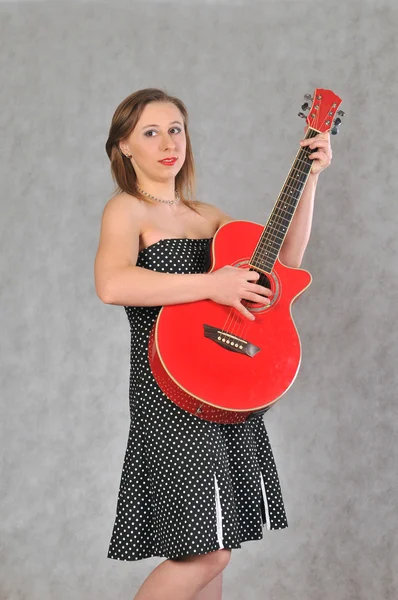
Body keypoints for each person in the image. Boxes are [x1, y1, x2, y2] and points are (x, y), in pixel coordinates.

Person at [94, 87, 332, 600]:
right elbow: (112, 284)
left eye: (175, 129)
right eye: (150, 132)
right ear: (124, 148)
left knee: (216, 546)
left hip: (226, 389)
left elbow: (282, 263)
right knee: (206, 552)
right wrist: (211, 284)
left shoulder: (210, 216)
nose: (166, 143)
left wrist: (309, 177)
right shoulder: (127, 211)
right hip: (168, 394)